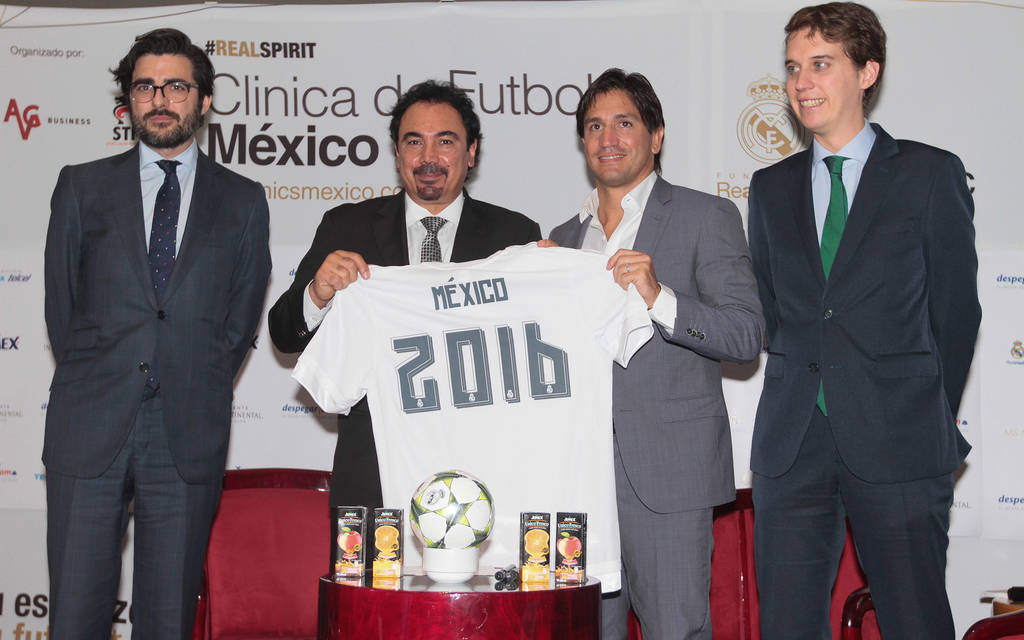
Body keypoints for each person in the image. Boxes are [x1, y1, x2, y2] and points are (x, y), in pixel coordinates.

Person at [747, 4, 981, 638]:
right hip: (792, 447)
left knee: (914, 623)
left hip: (902, 440)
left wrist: (925, 415)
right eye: (793, 67)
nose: (801, 82)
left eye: (821, 64)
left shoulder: (930, 174)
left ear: (867, 71)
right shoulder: (768, 189)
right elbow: (772, 309)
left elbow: (957, 315)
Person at [43, 28, 271, 640]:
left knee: (168, 620)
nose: (160, 98)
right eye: (145, 86)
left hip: (187, 431)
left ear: (204, 100)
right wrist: (104, 375)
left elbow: (239, 319)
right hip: (89, 425)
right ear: (128, 100)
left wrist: (190, 376)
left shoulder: (244, 200)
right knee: (74, 617)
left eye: (176, 86)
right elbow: (62, 311)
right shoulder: (82, 186)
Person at [549, 68, 764, 640]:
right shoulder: (562, 239)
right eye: (595, 126)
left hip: (668, 475)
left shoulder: (706, 216)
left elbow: (745, 334)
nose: (608, 138)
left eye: (624, 123)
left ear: (657, 136)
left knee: (675, 631)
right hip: (578, 481)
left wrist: (659, 297)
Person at [267, 80, 541, 510]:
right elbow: (284, 335)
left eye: (445, 142)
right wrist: (317, 294)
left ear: (471, 152)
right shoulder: (347, 226)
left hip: (481, 467)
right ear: (397, 155)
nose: (428, 158)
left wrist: (545, 279)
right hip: (373, 470)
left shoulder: (515, 236)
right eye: (414, 142)